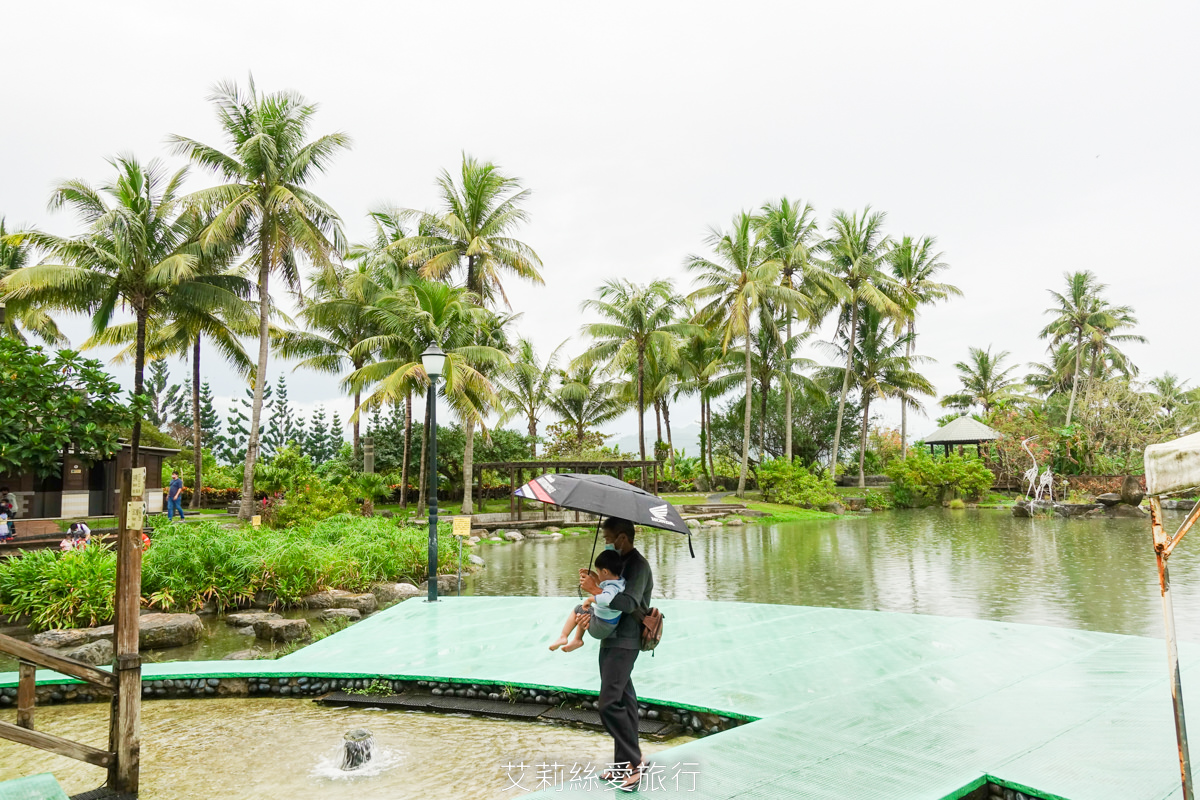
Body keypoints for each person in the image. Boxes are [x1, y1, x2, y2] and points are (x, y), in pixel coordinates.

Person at [579, 517, 654, 793]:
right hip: (612, 639)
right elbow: (608, 594)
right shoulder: (619, 562)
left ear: (623, 537)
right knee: (624, 698)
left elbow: (628, 603)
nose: (606, 539)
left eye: (609, 536)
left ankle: (635, 762)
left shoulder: (638, 566)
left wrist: (596, 590)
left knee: (608, 703)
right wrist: (596, 582)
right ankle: (624, 763)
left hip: (626, 640)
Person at [550, 549, 625, 652]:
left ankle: (564, 636)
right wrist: (594, 575)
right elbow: (605, 588)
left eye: (598, 572)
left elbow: (606, 599)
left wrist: (589, 600)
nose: (598, 575)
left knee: (579, 609)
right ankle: (577, 640)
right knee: (585, 610)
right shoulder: (618, 582)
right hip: (608, 624)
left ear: (605, 572)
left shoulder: (611, 587)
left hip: (600, 627)